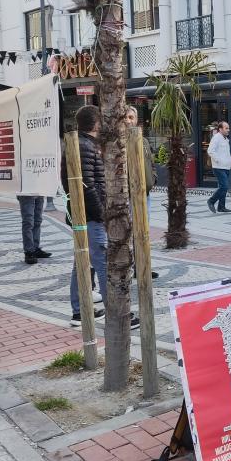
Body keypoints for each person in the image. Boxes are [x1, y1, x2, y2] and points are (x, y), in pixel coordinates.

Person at [61, 106, 128, 326]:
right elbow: (87, 185)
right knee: (103, 262)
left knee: (82, 261)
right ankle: (117, 313)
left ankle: (80, 311)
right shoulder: (84, 146)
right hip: (90, 215)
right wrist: (101, 213)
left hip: (86, 214)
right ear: (96, 123)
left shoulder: (85, 144)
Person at [125, 107, 159, 279]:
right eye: (126, 117)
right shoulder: (118, 142)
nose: (128, 120)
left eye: (131, 117)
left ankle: (142, 267)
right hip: (128, 196)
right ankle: (131, 268)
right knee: (130, 233)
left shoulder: (144, 141)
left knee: (144, 231)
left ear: (136, 119)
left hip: (146, 194)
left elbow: (150, 162)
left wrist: (153, 177)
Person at [17, 193, 50, 265]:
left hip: (39, 191)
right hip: (26, 192)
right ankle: (29, 252)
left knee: (38, 221)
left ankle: (35, 248)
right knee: (28, 222)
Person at [206, 121, 231, 213]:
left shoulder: (225, 139)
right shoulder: (216, 138)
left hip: (226, 167)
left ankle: (221, 207)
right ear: (220, 129)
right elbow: (210, 151)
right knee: (224, 187)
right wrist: (219, 160)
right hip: (219, 167)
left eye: (228, 128)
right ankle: (211, 201)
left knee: (222, 187)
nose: (228, 130)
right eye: (226, 128)